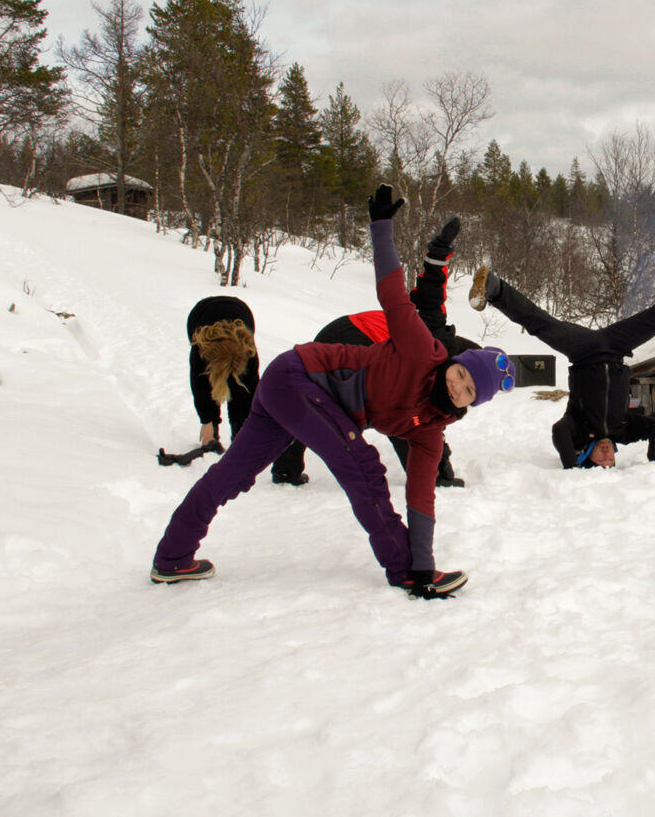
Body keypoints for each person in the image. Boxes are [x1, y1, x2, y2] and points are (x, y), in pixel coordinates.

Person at [151, 185, 515, 600]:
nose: (458, 388)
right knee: (364, 469)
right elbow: (392, 292)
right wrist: (381, 226)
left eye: (469, 393)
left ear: (472, 404)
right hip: (297, 375)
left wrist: (425, 559)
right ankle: (406, 575)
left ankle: (172, 558)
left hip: (293, 391)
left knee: (233, 473)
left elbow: (420, 497)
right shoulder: (420, 350)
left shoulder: (430, 431)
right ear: (455, 361)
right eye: (461, 375)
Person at [469, 246, 655, 468]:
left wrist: (571, 467)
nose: (606, 456)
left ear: (586, 456)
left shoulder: (576, 429)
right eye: (611, 461)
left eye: (599, 460)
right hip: (617, 348)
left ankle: (494, 288)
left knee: (541, 324)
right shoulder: (625, 432)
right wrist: (654, 467)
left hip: (583, 351)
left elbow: (559, 434)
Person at [311, 216, 475, 487]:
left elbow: (432, 290)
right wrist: (440, 473)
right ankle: (433, 476)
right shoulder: (433, 359)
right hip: (359, 339)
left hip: (340, 330)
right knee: (395, 410)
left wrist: (439, 251)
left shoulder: (437, 332)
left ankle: (286, 467)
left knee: (315, 399)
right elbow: (418, 423)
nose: (461, 387)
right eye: (466, 380)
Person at [185, 296, 307, 485]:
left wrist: (243, 438)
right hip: (201, 313)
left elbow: (248, 393)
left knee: (241, 388)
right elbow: (199, 386)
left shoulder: (247, 349)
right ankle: (212, 433)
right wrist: (207, 421)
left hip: (240, 312)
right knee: (207, 381)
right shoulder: (200, 347)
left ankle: (240, 437)